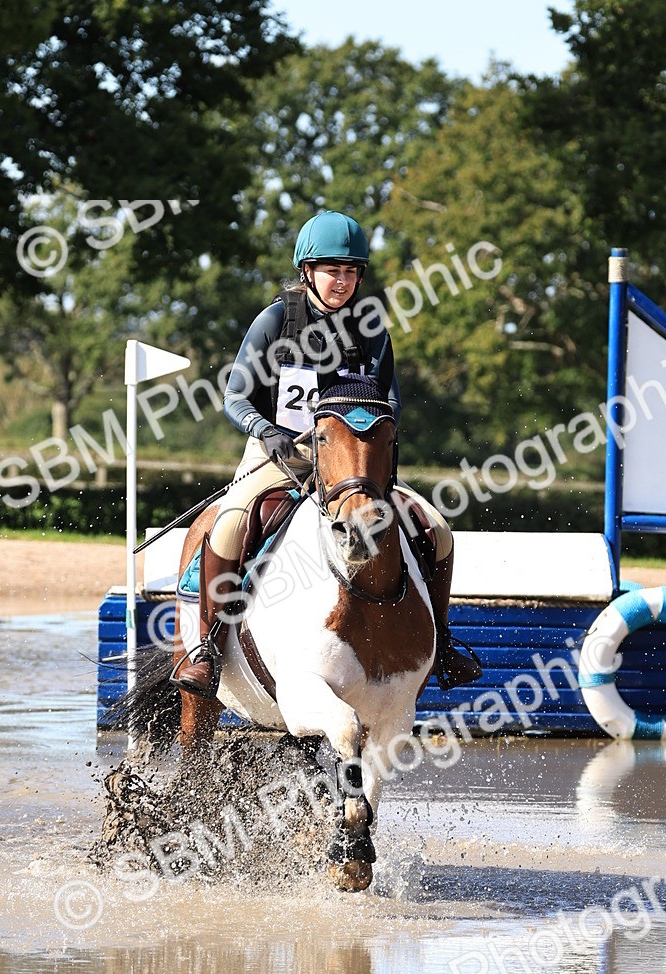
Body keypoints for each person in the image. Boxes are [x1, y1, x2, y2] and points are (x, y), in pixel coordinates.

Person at [173, 209, 480, 697]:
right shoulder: (276, 320)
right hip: (281, 457)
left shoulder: (371, 330)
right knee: (231, 523)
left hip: (352, 466)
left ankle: (440, 644)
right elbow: (235, 395)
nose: (342, 281)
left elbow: (391, 401)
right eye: (332, 270)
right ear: (307, 271)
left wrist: (370, 439)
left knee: (437, 531)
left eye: (351, 272)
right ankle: (207, 650)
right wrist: (264, 429)